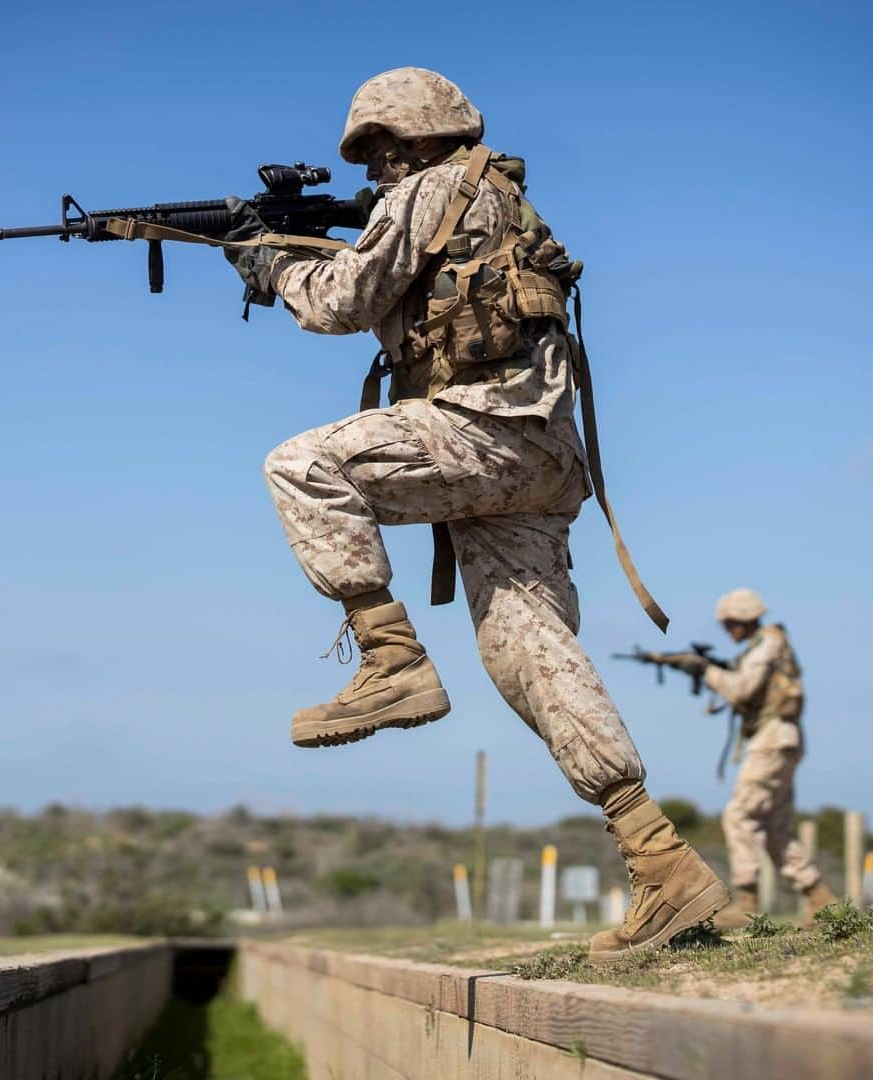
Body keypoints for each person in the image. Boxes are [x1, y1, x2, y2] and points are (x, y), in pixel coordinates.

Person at [223, 67, 728, 963]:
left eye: (381, 147)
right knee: (529, 651)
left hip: (480, 436)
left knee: (301, 465)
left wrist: (274, 268)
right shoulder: (497, 195)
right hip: (541, 455)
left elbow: (344, 301)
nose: (374, 166)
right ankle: (662, 861)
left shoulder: (428, 191)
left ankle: (391, 658)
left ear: (413, 138)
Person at [655, 588, 836, 927]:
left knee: (739, 816)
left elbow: (741, 689)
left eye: (728, 623)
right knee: (773, 828)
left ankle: (747, 903)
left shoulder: (768, 644)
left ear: (741, 619)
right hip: (779, 740)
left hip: (772, 740)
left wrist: (704, 671)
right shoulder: (763, 647)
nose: (726, 631)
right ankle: (820, 898)